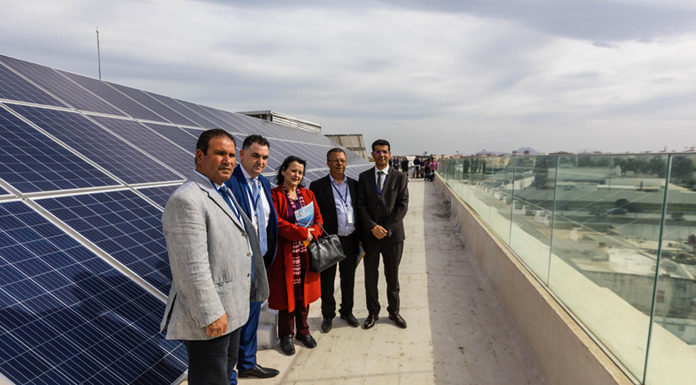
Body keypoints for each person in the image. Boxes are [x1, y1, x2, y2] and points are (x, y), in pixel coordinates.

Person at [160, 129, 268, 385]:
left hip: (231, 312)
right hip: (212, 317)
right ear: (200, 156)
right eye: (220, 153)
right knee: (210, 379)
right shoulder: (187, 199)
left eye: (231, 154)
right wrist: (210, 314)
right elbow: (191, 267)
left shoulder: (223, 192)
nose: (228, 160)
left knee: (223, 375)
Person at [224, 135, 279, 381]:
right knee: (234, 320)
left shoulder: (264, 184)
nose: (260, 162)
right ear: (241, 154)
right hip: (237, 264)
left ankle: (248, 363)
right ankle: (229, 372)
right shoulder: (229, 183)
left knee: (252, 315)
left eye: (265, 157)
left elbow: (266, 223)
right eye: (255, 155)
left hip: (260, 262)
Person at [268, 156, 324, 355]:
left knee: (303, 297)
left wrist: (314, 232)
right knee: (286, 298)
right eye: (293, 171)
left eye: (300, 172)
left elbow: (318, 219)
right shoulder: (274, 195)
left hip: (305, 254)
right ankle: (286, 335)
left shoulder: (307, 194)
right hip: (285, 256)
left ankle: (303, 331)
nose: (296, 175)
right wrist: (302, 233)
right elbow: (278, 223)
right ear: (283, 171)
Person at [357, 139, 409, 330]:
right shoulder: (363, 177)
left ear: (390, 153)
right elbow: (360, 205)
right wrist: (372, 227)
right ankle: (373, 312)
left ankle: (394, 311)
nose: (381, 155)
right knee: (370, 276)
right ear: (372, 154)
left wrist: (385, 228)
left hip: (393, 237)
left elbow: (402, 206)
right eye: (377, 152)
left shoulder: (400, 177)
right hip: (370, 236)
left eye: (385, 152)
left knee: (392, 275)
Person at [309, 148, 361, 333]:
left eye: (342, 160)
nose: (340, 163)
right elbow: (314, 214)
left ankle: (347, 312)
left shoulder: (355, 185)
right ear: (328, 163)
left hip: (350, 239)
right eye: (335, 160)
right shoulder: (317, 186)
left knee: (349, 279)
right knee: (328, 281)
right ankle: (328, 316)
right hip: (329, 240)